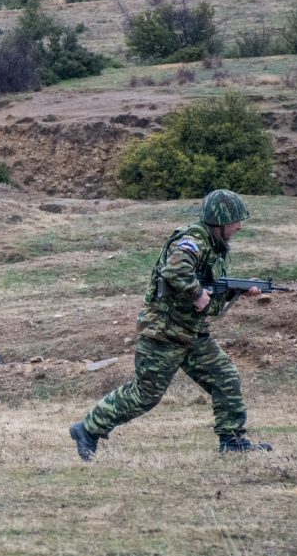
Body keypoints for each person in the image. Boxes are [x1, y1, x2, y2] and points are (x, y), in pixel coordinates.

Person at [69, 189, 273, 462]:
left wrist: (240, 289)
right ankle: (87, 429)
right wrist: (196, 293)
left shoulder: (213, 245)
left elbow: (207, 286)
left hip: (192, 334)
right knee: (145, 394)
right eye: (236, 220)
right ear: (220, 219)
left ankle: (232, 441)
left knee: (226, 379)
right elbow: (175, 272)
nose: (239, 226)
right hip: (164, 333)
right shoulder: (192, 241)